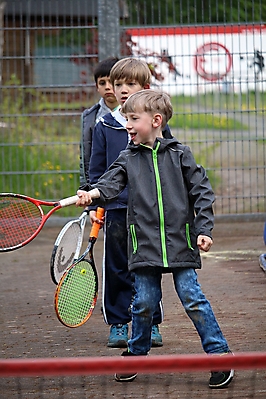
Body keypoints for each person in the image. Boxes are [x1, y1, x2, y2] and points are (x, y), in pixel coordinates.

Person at [76, 89, 234, 389]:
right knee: (145, 302)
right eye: (126, 119)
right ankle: (136, 355)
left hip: (180, 243)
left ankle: (220, 355)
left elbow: (202, 193)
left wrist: (203, 229)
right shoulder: (127, 158)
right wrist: (91, 194)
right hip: (144, 245)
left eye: (134, 118)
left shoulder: (180, 155)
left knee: (193, 299)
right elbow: (109, 184)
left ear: (156, 120)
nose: (128, 125)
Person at [87, 58, 172, 348]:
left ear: (145, 88)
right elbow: (96, 172)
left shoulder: (157, 125)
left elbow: (168, 166)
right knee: (117, 267)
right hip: (116, 210)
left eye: (131, 84)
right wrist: (92, 206)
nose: (123, 90)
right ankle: (119, 324)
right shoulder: (104, 126)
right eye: (118, 83)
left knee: (149, 266)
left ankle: (151, 323)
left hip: (148, 211)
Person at [79, 56, 119, 188]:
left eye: (112, 82)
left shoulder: (135, 114)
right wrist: (86, 188)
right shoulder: (90, 117)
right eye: (102, 83)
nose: (108, 87)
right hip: (100, 184)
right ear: (97, 86)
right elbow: (85, 158)